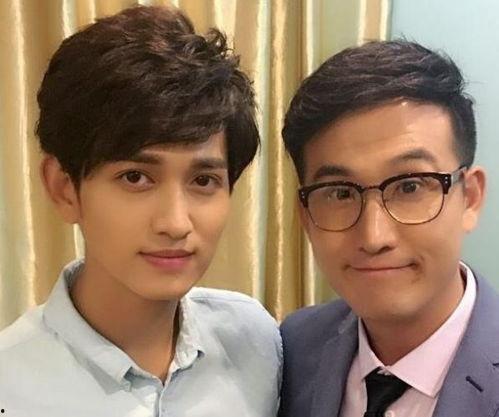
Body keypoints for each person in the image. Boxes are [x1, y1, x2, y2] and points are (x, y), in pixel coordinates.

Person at [0, 5, 281, 417]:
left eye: (204, 181)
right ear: (64, 188)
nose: (175, 223)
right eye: (135, 178)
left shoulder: (255, 341)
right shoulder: (9, 384)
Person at [278, 40, 495, 417]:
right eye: (340, 193)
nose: (374, 237)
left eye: (409, 187)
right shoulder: (295, 345)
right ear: (305, 216)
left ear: (470, 198)